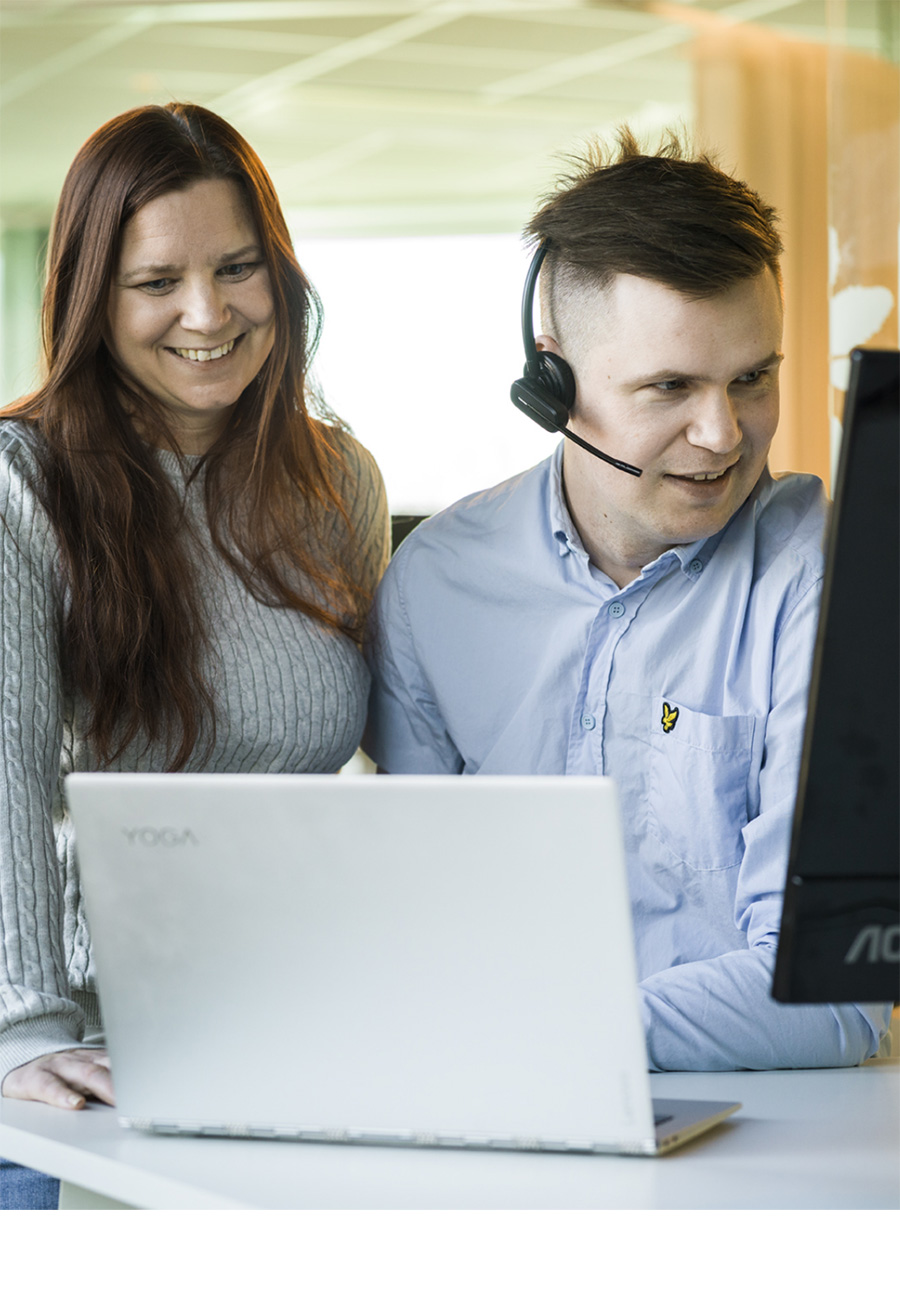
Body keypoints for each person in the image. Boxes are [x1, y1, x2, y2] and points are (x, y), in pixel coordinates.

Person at [363, 129, 892, 1072]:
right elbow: (421, 922)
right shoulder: (433, 588)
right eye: (670, 387)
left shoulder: (827, 575)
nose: (724, 433)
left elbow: (833, 995)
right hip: (495, 1115)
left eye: (752, 379)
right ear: (551, 380)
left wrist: (535, 1036)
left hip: (758, 1147)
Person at [0, 103, 390, 1207]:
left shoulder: (338, 482)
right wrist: (23, 1029)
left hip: (303, 1031)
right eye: (156, 282)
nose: (207, 313)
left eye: (237, 267)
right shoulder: (22, 484)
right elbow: (5, 772)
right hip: (86, 1054)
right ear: (92, 299)